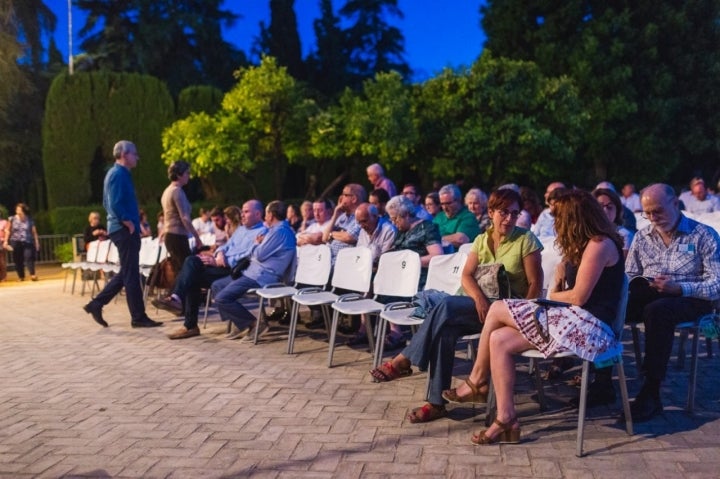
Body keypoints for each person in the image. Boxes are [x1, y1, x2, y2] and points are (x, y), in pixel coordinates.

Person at [445, 189, 624, 444]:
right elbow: (572, 295)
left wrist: (548, 296)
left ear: (574, 217)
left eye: (559, 218)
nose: (556, 224)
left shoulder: (600, 244)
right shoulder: (586, 245)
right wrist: (560, 278)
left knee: (497, 309)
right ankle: (507, 418)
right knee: (498, 339)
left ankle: (476, 382)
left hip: (592, 330)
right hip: (573, 321)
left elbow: (578, 297)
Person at [369, 189, 543, 423]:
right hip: (478, 306)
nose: (510, 219)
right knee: (444, 330)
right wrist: (480, 299)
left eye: (514, 213)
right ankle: (436, 403)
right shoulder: (482, 240)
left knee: (447, 304)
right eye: (504, 212)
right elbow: (467, 276)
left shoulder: (525, 239)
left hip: (507, 311)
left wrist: (520, 315)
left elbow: (535, 283)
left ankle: (404, 360)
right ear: (491, 213)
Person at [624, 183, 720, 422]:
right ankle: (601, 376)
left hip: (692, 296)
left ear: (675, 204)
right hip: (652, 293)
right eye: (648, 213)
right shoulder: (643, 236)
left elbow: (716, 284)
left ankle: (651, 391)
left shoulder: (703, 235)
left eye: (658, 211)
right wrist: (639, 284)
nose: (653, 218)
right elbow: (629, 273)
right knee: (612, 303)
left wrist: (679, 288)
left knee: (658, 311)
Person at [156, 200, 268, 339]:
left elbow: (250, 255)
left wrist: (223, 261)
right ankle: (187, 321)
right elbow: (225, 246)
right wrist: (219, 254)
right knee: (191, 267)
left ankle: (177, 302)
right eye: (242, 212)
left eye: (246, 212)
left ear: (258, 214)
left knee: (192, 268)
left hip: (237, 270)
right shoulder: (241, 230)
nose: (242, 215)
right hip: (221, 265)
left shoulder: (263, 232)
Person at [82, 141, 162, 328]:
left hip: (121, 229)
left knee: (128, 271)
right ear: (125, 155)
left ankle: (96, 304)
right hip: (124, 229)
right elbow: (114, 202)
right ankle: (138, 317)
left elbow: (105, 201)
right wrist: (127, 220)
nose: (137, 157)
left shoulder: (116, 173)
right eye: (135, 153)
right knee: (131, 273)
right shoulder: (118, 174)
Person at [210, 200, 297, 342]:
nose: (265, 216)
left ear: (271, 214)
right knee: (218, 286)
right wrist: (258, 246)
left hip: (261, 276)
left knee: (222, 298)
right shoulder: (275, 230)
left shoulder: (280, 231)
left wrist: (257, 243)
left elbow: (258, 255)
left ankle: (255, 324)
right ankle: (240, 323)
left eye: (267, 213)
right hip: (252, 273)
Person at [160, 161, 202, 276]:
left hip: (171, 236)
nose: (189, 176)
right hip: (177, 236)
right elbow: (185, 218)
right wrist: (197, 237)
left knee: (180, 271)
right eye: (187, 173)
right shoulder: (177, 191)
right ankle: (183, 294)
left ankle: (177, 293)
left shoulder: (167, 191)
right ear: (179, 175)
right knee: (186, 271)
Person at [323, 183, 365, 265]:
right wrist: (335, 214)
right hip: (327, 260)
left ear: (354, 199)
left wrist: (331, 234)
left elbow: (350, 237)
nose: (340, 198)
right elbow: (324, 238)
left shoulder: (361, 216)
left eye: (344, 195)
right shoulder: (341, 217)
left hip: (343, 262)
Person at [433, 184, 481, 251]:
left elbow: (460, 239)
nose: (444, 207)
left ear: (458, 200)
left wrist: (434, 239)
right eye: (442, 204)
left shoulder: (468, 217)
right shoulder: (439, 217)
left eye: (448, 203)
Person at [3, 203, 40, 282]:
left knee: (29, 257)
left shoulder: (29, 219)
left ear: (23, 210)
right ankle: (21, 276)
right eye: (17, 209)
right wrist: (6, 241)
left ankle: (32, 274)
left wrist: (37, 242)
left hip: (27, 241)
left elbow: (34, 232)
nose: (17, 211)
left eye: (19, 209)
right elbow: (8, 231)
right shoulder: (12, 219)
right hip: (16, 241)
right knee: (18, 259)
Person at [593, 188, 634, 257]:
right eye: (600, 206)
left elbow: (624, 265)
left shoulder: (625, 235)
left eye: (609, 207)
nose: (605, 211)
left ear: (617, 211)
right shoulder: (587, 232)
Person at [0, 208, 7, 282]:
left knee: (2, 261)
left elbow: (6, 232)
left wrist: (5, 241)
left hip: (1, 242)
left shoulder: (4, 222)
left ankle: (3, 277)